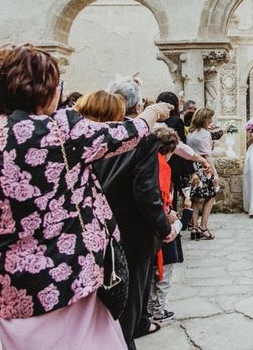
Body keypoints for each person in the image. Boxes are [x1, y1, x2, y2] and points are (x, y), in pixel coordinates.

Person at [0, 43, 171, 349]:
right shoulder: (59, 128)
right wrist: (151, 114)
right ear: (45, 89)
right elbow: (121, 136)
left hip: (9, 284)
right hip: (66, 277)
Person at [94, 76, 178, 349]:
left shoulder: (95, 134)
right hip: (133, 234)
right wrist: (164, 229)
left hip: (99, 232)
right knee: (129, 306)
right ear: (138, 105)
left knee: (104, 305)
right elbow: (146, 192)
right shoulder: (142, 140)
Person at [148, 127, 183, 326]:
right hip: (160, 227)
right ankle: (158, 310)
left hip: (155, 222)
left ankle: (152, 308)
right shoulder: (162, 166)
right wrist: (168, 216)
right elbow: (159, 196)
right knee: (162, 273)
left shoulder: (151, 162)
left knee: (154, 274)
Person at [186, 108, 220, 240]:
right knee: (211, 196)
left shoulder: (191, 132)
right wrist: (215, 173)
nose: (211, 120)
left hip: (194, 166)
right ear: (203, 119)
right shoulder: (205, 134)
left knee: (195, 199)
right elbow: (207, 155)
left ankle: (194, 228)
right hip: (204, 167)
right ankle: (203, 227)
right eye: (209, 118)